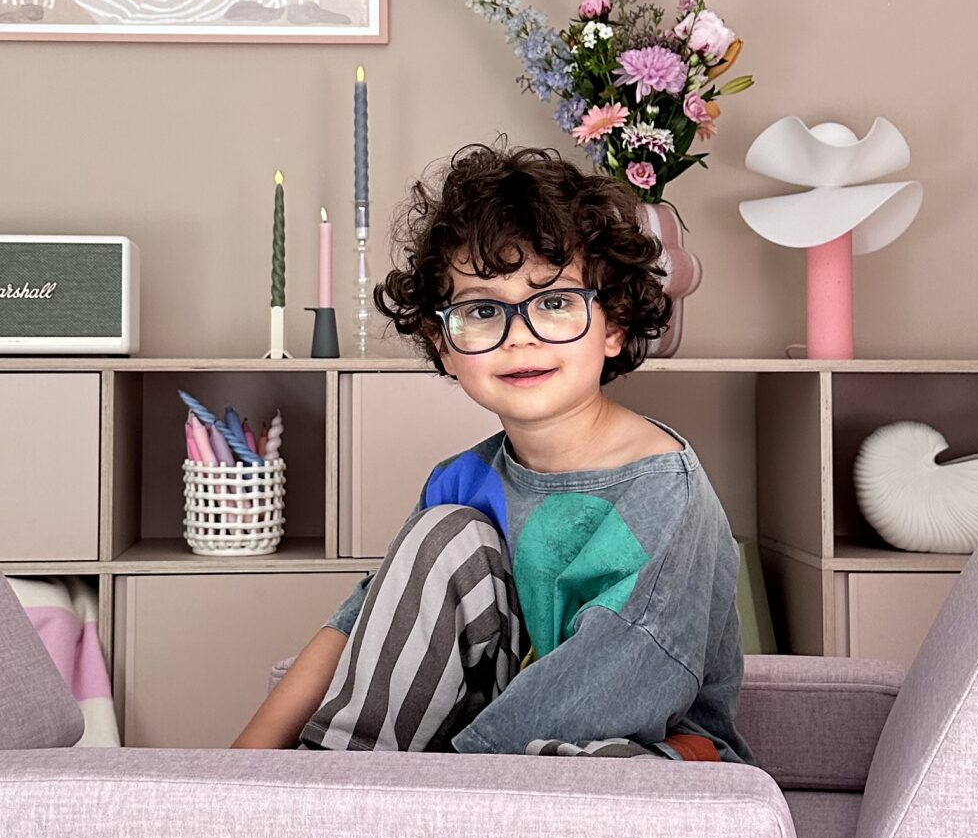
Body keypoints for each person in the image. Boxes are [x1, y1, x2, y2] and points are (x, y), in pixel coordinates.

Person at [235, 142, 745, 760]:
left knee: (602, 756)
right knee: (444, 535)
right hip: (482, 749)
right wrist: (242, 767)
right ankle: (342, 784)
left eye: (554, 302)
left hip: (638, 747)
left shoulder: (663, 493)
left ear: (613, 325)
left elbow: (607, 689)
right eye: (481, 310)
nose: (519, 337)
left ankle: (391, 798)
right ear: (443, 344)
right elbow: (360, 626)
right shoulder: (461, 480)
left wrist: (454, 775)